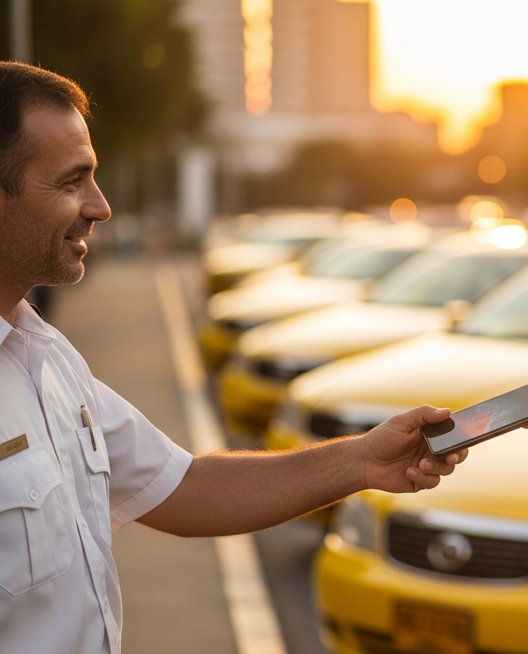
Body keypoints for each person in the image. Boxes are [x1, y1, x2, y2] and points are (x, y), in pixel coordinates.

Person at [0, 62, 466, 653]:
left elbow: (184, 487)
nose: (101, 206)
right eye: (71, 182)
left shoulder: (45, 357)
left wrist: (363, 462)